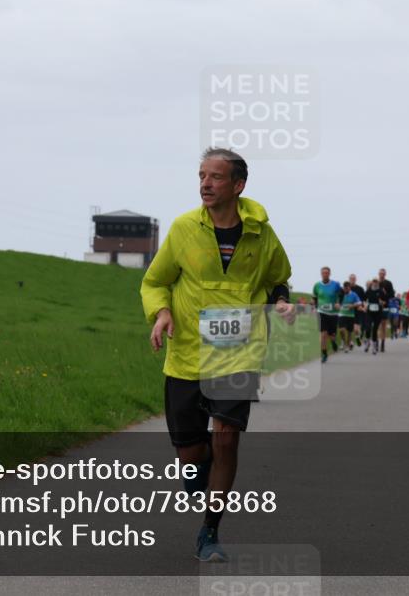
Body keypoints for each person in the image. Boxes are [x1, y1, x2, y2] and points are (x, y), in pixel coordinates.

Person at [141, 147, 294, 563]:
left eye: (216, 177)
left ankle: (210, 531)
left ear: (238, 185)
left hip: (238, 353)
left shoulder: (262, 233)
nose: (206, 184)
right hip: (188, 354)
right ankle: (201, 477)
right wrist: (161, 313)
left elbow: (279, 279)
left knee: (225, 437)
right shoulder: (184, 229)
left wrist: (281, 302)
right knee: (191, 456)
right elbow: (155, 281)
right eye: (201, 176)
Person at [312, 267, 342, 362]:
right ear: (321, 274)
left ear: (329, 274)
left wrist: (338, 302)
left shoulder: (336, 284)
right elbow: (314, 298)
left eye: (327, 273)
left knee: (331, 334)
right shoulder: (317, 285)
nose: (325, 274)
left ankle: (333, 341)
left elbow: (341, 295)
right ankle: (324, 353)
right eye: (323, 273)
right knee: (323, 333)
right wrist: (314, 308)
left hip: (333, 313)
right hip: (321, 312)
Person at [363, 279, 386, 354]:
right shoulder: (368, 291)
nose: (375, 283)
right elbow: (364, 300)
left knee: (375, 329)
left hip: (378, 313)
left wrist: (382, 302)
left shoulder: (381, 291)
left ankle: (374, 347)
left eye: (376, 282)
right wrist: (365, 305)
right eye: (374, 282)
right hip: (369, 312)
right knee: (368, 328)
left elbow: (385, 302)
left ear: (378, 283)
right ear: (372, 283)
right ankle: (367, 343)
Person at [337, 281, 361, 352]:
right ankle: (344, 342)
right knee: (341, 330)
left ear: (349, 288)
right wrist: (337, 305)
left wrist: (353, 305)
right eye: (344, 289)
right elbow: (336, 301)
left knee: (349, 332)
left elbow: (359, 302)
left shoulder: (354, 294)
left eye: (347, 289)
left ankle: (347, 345)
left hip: (350, 315)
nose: (345, 290)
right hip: (342, 314)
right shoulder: (341, 293)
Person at [376, 269, 395, 347]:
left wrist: (385, 294)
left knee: (383, 326)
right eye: (380, 273)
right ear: (378, 274)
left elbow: (392, 295)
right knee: (377, 326)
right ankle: (376, 341)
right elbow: (371, 293)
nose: (381, 275)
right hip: (376, 307)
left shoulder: (388, 283)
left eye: (383, 274)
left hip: (385, 306)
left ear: (385, 274)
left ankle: (382, 343)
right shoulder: (375, 282)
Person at [348, 273, 366, 347]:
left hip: (358, 310)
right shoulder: (346, 288)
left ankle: (357, 337)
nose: (352, 280)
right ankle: (351, 342)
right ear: (349, 279)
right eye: (351, 278)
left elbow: (364, 300)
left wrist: (363, 307)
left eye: (353, 279)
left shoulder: (360, 289)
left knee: (356, 329)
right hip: (348, 310)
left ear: (355, 279)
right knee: (349, 328)